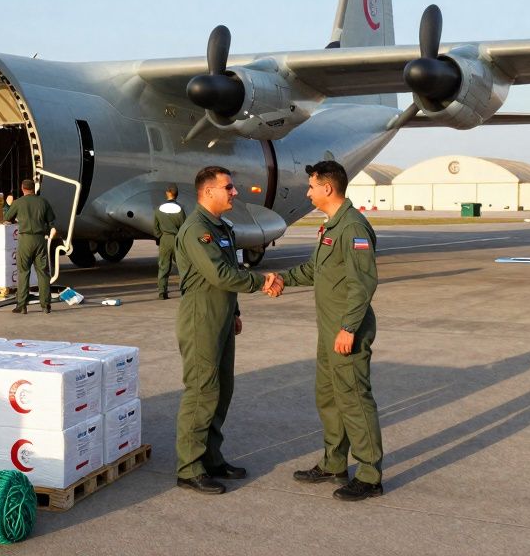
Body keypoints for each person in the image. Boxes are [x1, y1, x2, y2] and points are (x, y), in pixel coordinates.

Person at [270, 160, 384, 501]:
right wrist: (283, 279)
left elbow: (363, 283)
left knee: (353, 398)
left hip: (347, 330)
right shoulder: (330, 226)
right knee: (329, 397)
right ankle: (334, 463)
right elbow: (315, 271)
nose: (308, 192)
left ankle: (369, 474)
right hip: (329, 330)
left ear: (328, 188)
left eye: (311, 186)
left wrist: (348, 328)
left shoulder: (352, 227)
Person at [174, 166, 281, 495]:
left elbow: (231, 269)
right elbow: (220, 274)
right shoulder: (196, 230)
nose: (235, 192)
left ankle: (212, 457)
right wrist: (262, 282)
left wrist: (235, 310)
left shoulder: (222, 227)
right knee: (202, 391)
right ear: (208, 192)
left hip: (221, 316)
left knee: (222, 390)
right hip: (201, 319)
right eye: (228, 187)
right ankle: (189, 467)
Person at [3, 178, 57, 315]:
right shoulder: (43, 202)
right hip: (40, 240)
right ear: (34, 188)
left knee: (23, 272)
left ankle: (22, 306)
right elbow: (51, 221)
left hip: (25, 240)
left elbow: (7, 217)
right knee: (43, 273)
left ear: (22, 188)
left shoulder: (18, 202)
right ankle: (46, 305)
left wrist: (8, 205)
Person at [153, 184, 185, 300]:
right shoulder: (180, 209)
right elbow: (183, 226)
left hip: (164, 239)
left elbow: (155, 228)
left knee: (163, 266)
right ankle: (183, 291)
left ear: (167, 193)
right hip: (177, 239)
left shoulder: (158, 209)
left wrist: (160, 237)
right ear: (176, 194)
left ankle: (162, 292)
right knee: (182, 266)